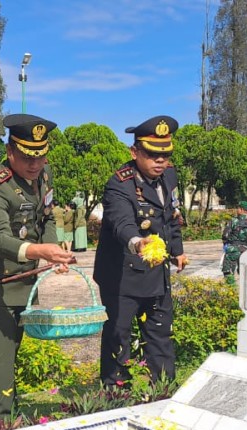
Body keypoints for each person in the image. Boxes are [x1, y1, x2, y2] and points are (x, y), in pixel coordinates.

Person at [0, 114, 74, 423]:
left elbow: (46, 218)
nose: (35, 163)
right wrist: (38, 250)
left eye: (41, 155)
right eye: (28, 156)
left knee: (10, 355)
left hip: (26, 284)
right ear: (10, 152)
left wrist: (53, 251)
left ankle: (8, 414)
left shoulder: (44, 178)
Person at [95, 115, 187, 387]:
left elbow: (171, 216)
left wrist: (177, 251)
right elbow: (120, 222)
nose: (160, 161)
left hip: (157, 274)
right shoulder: (119, 183)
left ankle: (163, 391)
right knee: (118, 336)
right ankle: (114, 391)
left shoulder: (169, 175)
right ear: (134, 152)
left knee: (160, 334)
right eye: (152, 154)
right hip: (122, 275)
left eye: (165, 154)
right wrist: (137, 242)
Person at [221, 201, 247, 284]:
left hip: (232, 249)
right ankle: (245, 291)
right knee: (246, 272)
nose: (237, 210)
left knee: (228, 272)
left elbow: (225, 235)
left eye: (238, 208)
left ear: (242, 210)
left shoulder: (233, 221)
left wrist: (227, 245)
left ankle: (231, 290)